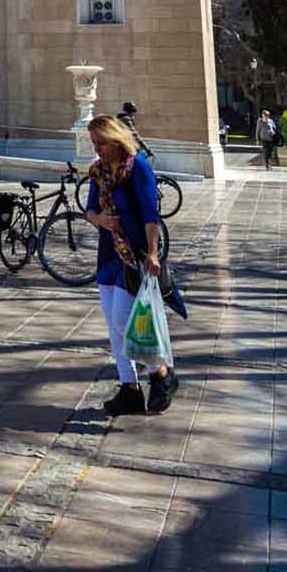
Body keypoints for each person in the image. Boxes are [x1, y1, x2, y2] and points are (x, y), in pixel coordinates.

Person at [84, 112, 179, 417]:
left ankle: (162, 374)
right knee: (113, 324)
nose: (97, 149)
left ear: (115, 139)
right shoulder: (98, 171)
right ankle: (129, 389)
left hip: (133, 255)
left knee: (125, 321)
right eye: (93, 143)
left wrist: (152, 253)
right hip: (108, 253)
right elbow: (89, 210)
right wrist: (101, 220)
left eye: (101, 143)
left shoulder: (137, 167)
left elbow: (151, 215)